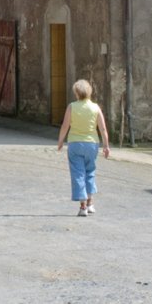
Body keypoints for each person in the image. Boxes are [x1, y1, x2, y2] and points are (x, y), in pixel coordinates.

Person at [54, 79, 109, 216]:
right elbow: (102, 128)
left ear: (76, 93)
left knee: (78, 174)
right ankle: (90, 203)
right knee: (90, 172)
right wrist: (106, 145)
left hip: (75, 144)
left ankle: (83, 206)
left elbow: (65, 126)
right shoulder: (95, 107)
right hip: (92, 144)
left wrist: (60, 141)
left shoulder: (72, 106)